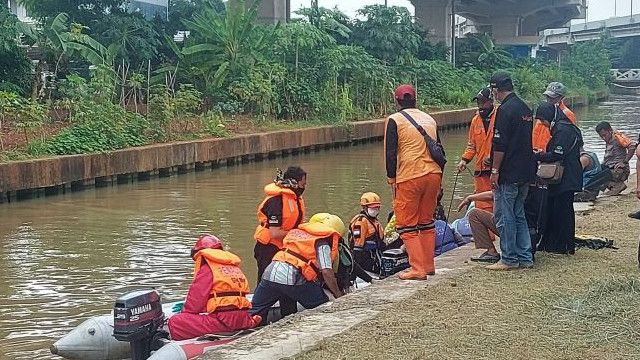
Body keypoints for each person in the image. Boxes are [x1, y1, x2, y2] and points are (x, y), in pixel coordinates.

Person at [384, 84, 443, 280]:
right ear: (415, 100)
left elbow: (390, 153)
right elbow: (439, 149)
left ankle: (417, 269)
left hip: (410, 175)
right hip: (434, 174)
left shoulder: (394, 120)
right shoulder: (429, 119)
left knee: (406, 224)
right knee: (426, 222)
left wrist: (392, 179)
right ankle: (428, 265)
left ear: (397, 101)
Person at [249, 213, 346, 320]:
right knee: (323, 306)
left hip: (271, 272)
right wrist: (338, 294)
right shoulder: (322, 242)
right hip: (294, 277)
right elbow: (327, 271)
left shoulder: (297, 233)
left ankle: (243, 329)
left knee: (256, 310)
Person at [487, 71, 537, 270]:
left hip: (509, 171)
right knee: (518, 214)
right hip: (526, 170)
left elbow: (501, 144)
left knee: (505, 215)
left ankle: (508, 258)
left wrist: (494, 170)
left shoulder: (504, 110)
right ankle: (525, 257)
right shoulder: (524, 108)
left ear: (496, 90)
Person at [167, 235, 261, 341]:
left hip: (223, 322)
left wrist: (184, 311)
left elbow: (194, 304)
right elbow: (224, 298)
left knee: (175, 322)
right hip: (243, 320)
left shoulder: (207, 269)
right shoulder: (234, 268)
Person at [253, 166, 306, 316]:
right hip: (268, 248)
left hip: (284, 250)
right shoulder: (276, 201)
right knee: (265, 285)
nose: (304, 188)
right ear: (294, 183)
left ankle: (288, 315)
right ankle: (257, 318)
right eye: (303, 184)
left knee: (288, 284)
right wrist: (298, 235)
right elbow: (275, 233)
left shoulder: (294, 199)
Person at [533, 102, 584, 254]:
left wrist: (538, 155)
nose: (542, 123)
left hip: (566, 177)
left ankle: (563, 245)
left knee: (563, 210)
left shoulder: (563, 130)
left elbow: (557, 154)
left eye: (543, 120)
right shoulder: (565, 127)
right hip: (567, 175)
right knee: (559, 208)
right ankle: (558, 244)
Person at [457, 87, 497, 212]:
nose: (480, 106)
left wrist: (494, 158)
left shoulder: (501, 117)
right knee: (481, 205)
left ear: (491, 102)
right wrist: (464, 160)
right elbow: (471, 145)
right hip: (481, 171)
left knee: (496, 201)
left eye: (483, 102)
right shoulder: (475, 121)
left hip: (495, 169)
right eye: (478, 102)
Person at [532, 82, 577, 152]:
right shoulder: (544, 112)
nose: (549, 100)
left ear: (561, 97)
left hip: (551, 154)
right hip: (538, 152)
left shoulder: (567, 114)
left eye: (553, 98)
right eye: (547, 97)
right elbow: (536, 133)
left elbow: (568, 138)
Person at [596, 121, 638, 196]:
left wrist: (624, 162)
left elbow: (632, 146)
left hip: (619, 170)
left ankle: (618, 186)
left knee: (600, 176)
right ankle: (614, 186)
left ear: (610, 131)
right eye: (601, 136)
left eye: (604, 135)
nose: (603, 138)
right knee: (595, 172)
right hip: (610, 168)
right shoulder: (608, 140)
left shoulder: (618, 137)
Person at [348, 192, 386, 274]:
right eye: (373, 208)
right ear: (364, 207)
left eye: (377, 207)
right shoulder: (360, 222)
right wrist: (357, 269)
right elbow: (357, 247)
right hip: (365, 258)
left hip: (375, 255)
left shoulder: (374, 220)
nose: (376, 210)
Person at [457, 191, 500, 263]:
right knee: (474, 214)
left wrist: (470, 197)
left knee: (474, 215)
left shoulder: (510, 184)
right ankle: (491, 252)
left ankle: (492, 252)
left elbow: (493, 195)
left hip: (512, 227)